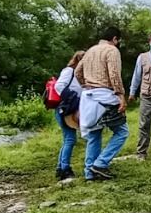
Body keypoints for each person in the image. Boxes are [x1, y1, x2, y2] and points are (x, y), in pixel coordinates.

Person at [74, 24, 128, 181]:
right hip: (105, 96)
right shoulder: (112, 50)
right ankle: (100, 163)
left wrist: (85, 84)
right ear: (115, 39)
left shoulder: (90, 50)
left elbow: (77, 72)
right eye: (118, 41)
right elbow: (114, 74)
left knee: (94, 133)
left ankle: (89, 172)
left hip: (89, 96)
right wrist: (120, 95)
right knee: (122, 131)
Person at [53, 50, 84, 180]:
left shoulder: (81, 75)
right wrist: (72, 97)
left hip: (72, 109)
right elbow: (59, 86)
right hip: (66, 109)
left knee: (68, 139)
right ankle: (65, 169)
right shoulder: (69, 71)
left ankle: (60, 167)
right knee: (70, 140)